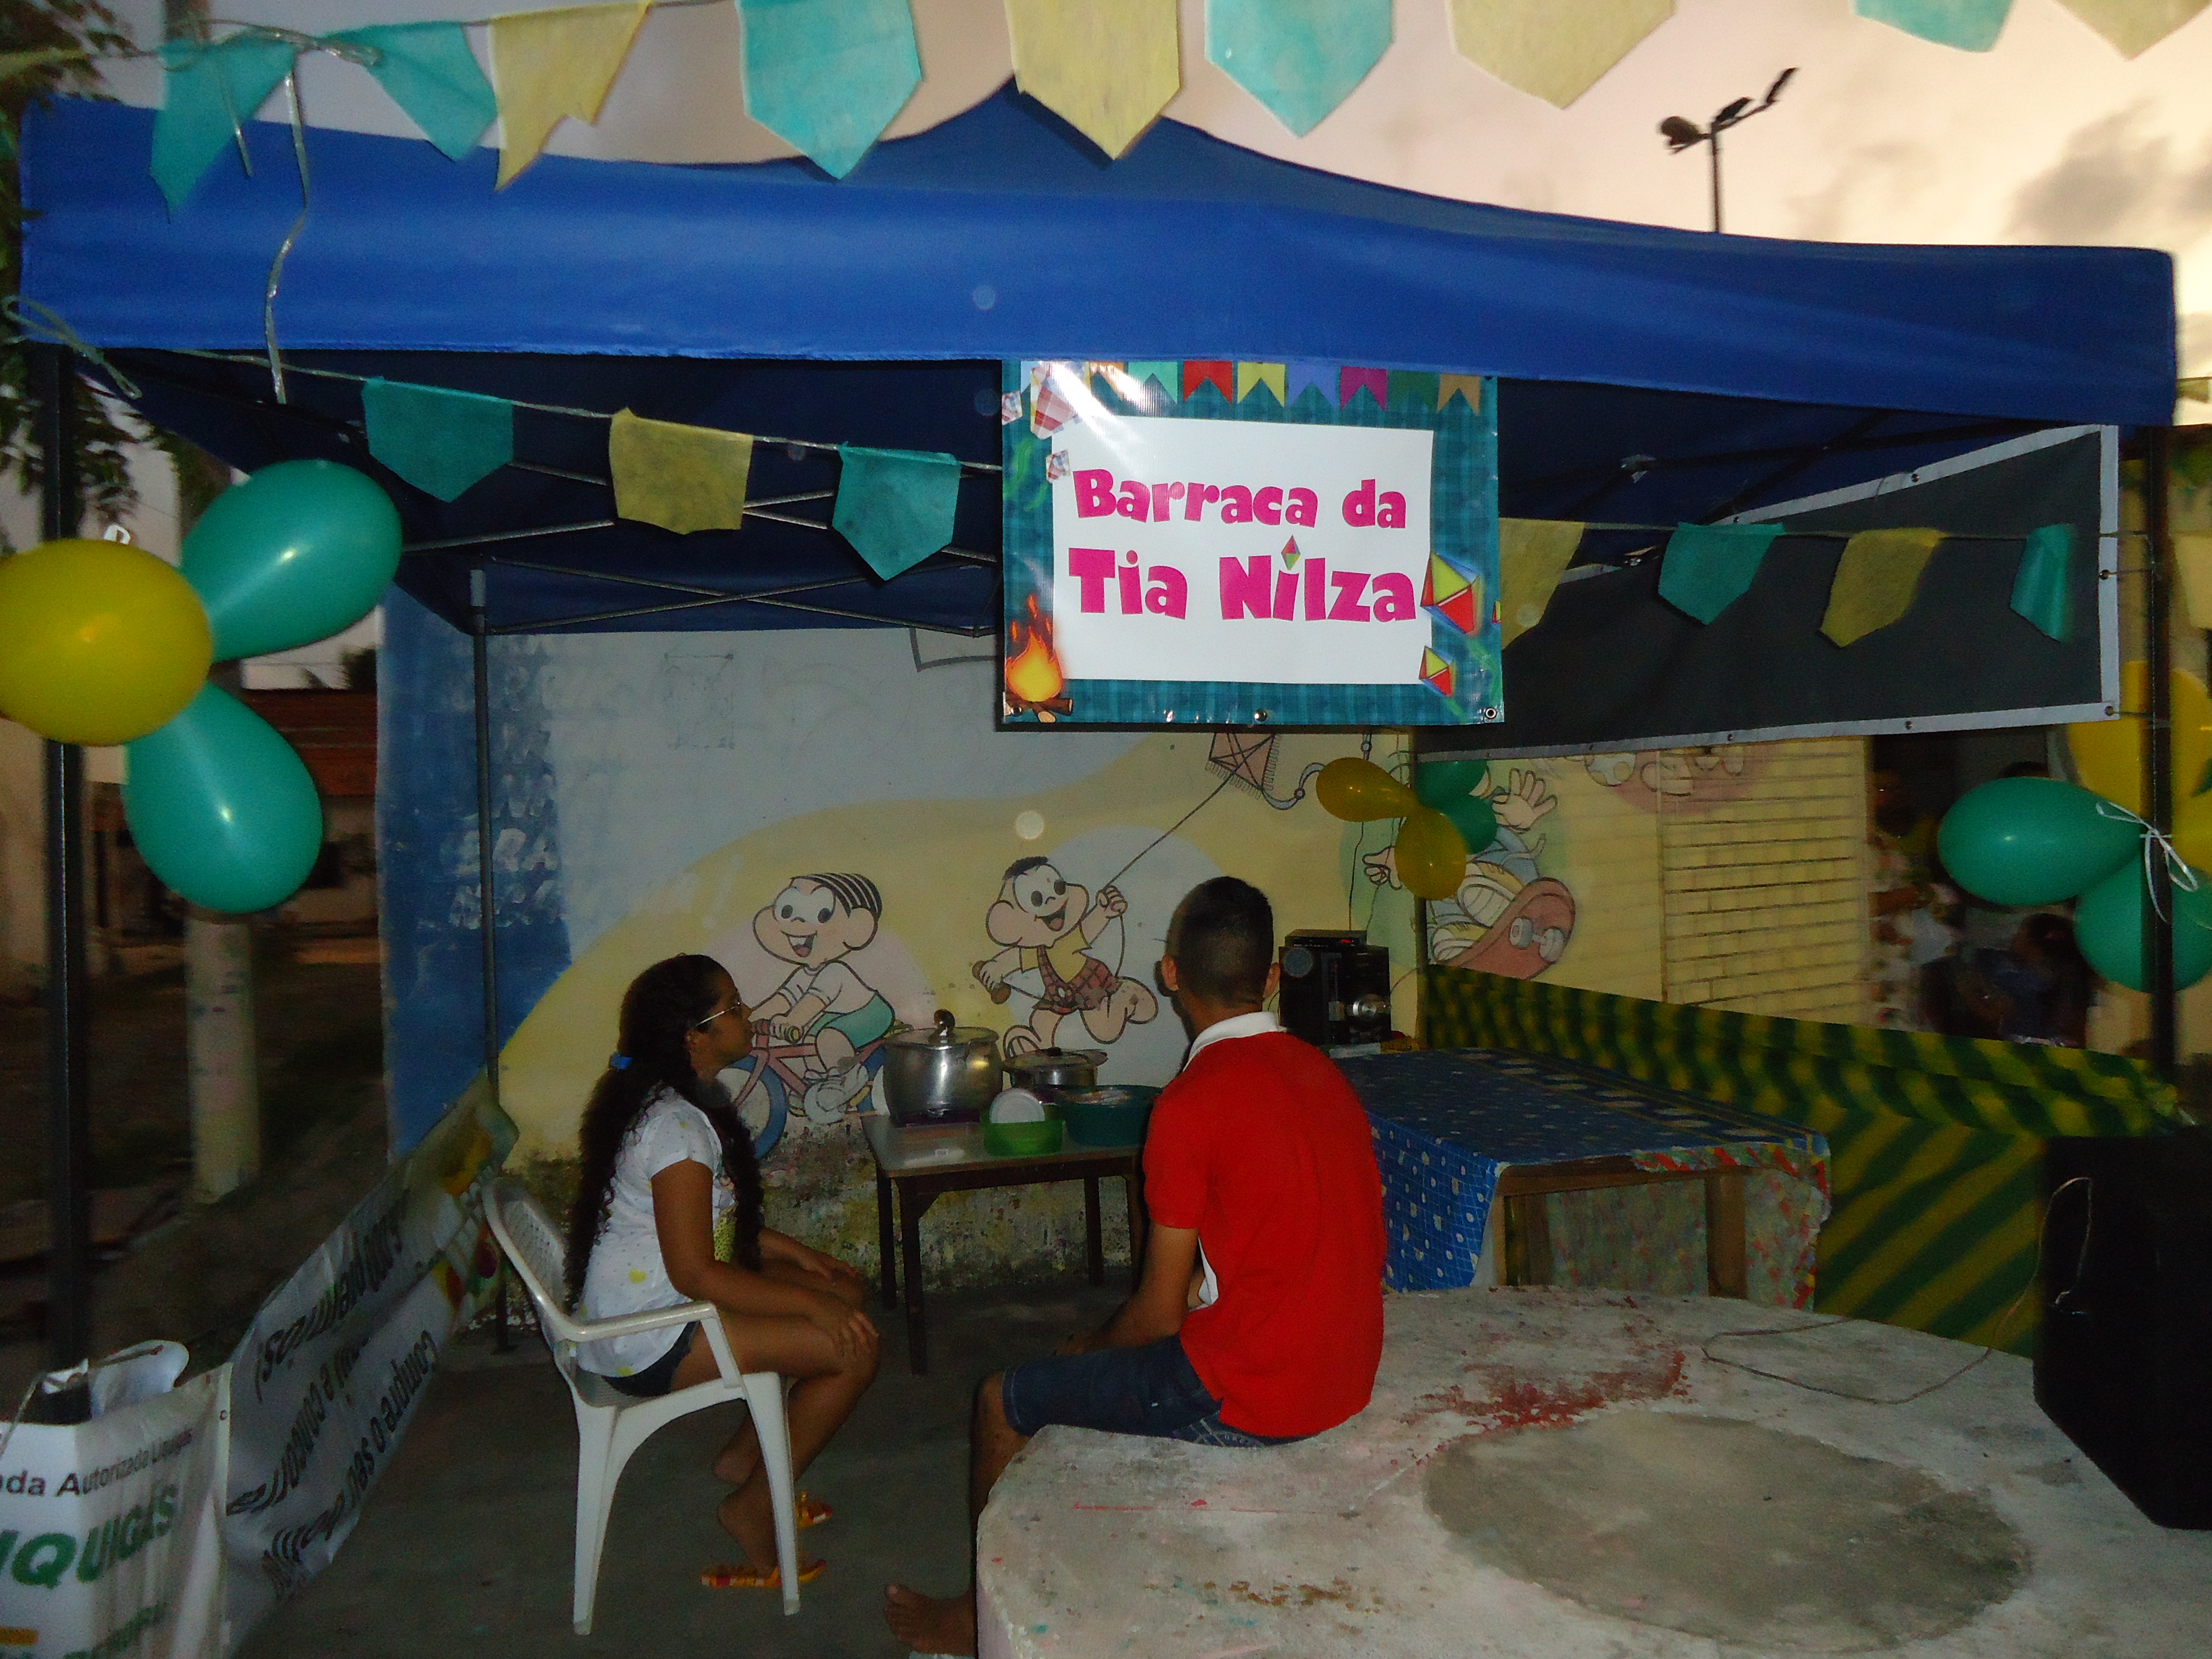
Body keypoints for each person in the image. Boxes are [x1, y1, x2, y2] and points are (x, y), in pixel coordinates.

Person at [884, 877, 1387, 1655]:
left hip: (1260, 1395)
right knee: (1102, 1375)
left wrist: (1081, 1349)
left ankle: (975, 1622)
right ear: (1271, 977)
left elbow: (1157, 1318)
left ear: (1171, 973)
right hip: (1348, 1373)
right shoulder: (1325, 1075)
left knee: (1003, 1400)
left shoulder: (1188, 1103)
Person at [566, 953, 879, 1590]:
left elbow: (704, 1221)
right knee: (853, 1348)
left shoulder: (678, 1102)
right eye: (732, 1008)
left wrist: (796, 1256)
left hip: (665, 1299)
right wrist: (810, 1306)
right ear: (695, 1037)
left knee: (843, 1291)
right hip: (649, 1335)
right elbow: (697, 1274)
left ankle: (746, 1460)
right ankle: (751, 1507)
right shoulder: (677, 1130)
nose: (748, 1014)